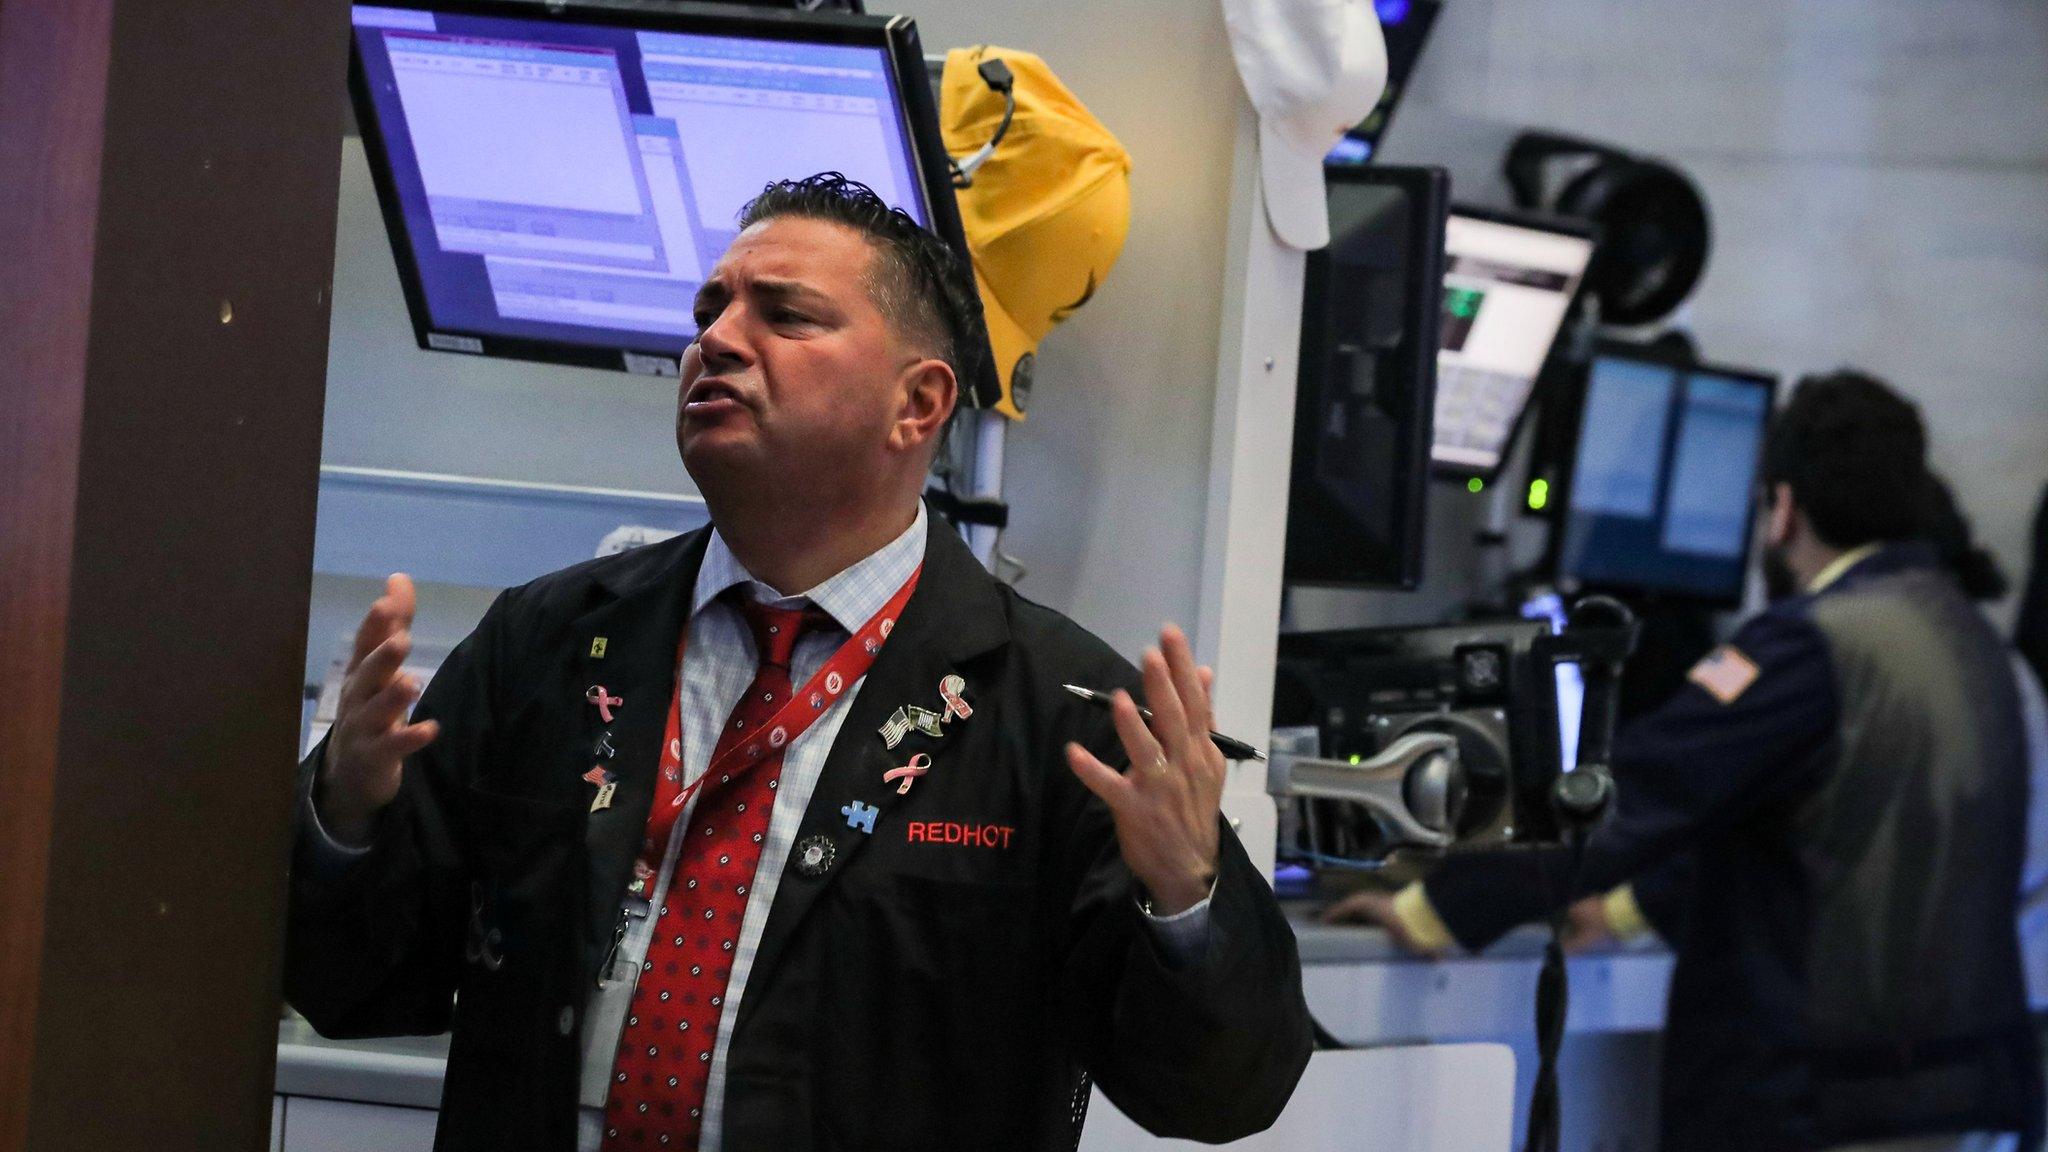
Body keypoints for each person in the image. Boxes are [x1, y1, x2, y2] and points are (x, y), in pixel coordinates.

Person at [285, 174, 1312, 1152]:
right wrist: (344, 812)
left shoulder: (1062, 715)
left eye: (783, 316)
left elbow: (1219, 1094)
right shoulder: (546, 642)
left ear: (916, 404)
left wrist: (1185, 893)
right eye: (709, 311)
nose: (716, 341)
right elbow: (351, 984)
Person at [1330, 370, 2043, 1152]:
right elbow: (1812, 827)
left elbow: (1639, 791)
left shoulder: (1816, 643)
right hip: (1956, 1093)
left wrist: (1436, 909)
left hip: (1817, 1097)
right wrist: (1625, 912)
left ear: (1782, 509)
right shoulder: (1969, 637)